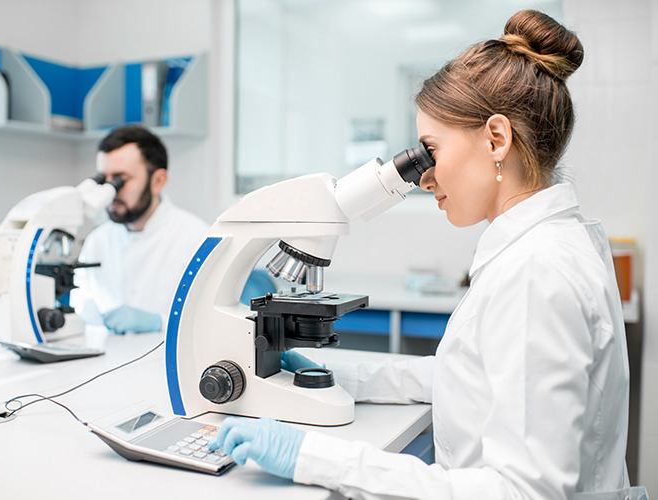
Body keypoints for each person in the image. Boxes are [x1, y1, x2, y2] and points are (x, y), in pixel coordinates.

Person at [208, 10, 648, 500]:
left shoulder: (535, 272)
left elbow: (525, 492)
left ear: (496, 138)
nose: (422, 176)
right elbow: (467, 376)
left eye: (430, 150)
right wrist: (327, 374)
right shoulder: (549, 244)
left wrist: (313, 458)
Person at [71, 126, 209, 334]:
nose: (110, 191)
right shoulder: (97, 240)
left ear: (157, 181)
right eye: (103, 179)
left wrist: (159, 323)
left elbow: (210, 323)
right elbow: (81, 305)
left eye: (120, 180)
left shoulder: (197, 238)